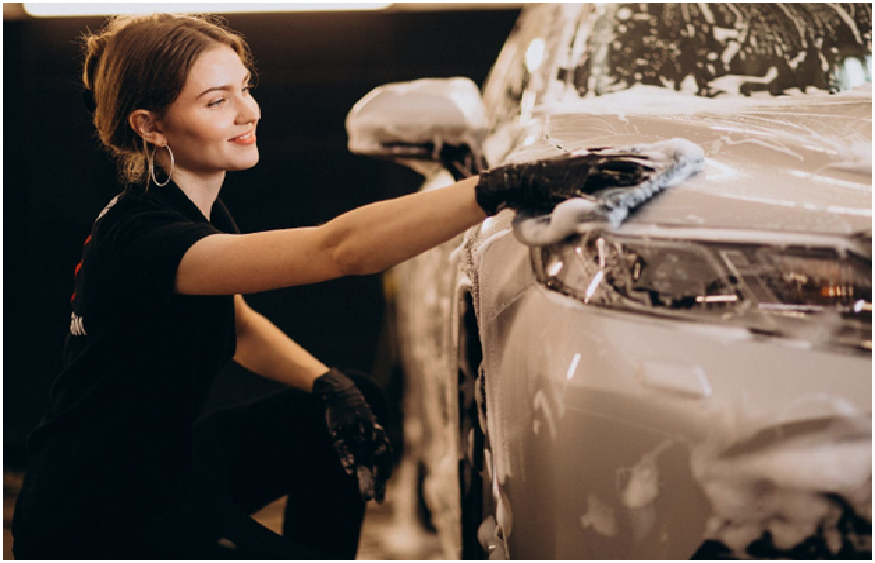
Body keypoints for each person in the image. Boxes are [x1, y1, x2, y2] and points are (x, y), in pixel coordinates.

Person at [11, 12, 597, 560]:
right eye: (218, 101)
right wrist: (496, 189)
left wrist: (327, 384)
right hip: (98, 512)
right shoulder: (143, 237)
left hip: (164, 465)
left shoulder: (186, 212)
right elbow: (338, 250)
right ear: (151, 126)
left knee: (342, 407)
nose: (248, 112)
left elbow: (234, 323)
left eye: (244, 87)